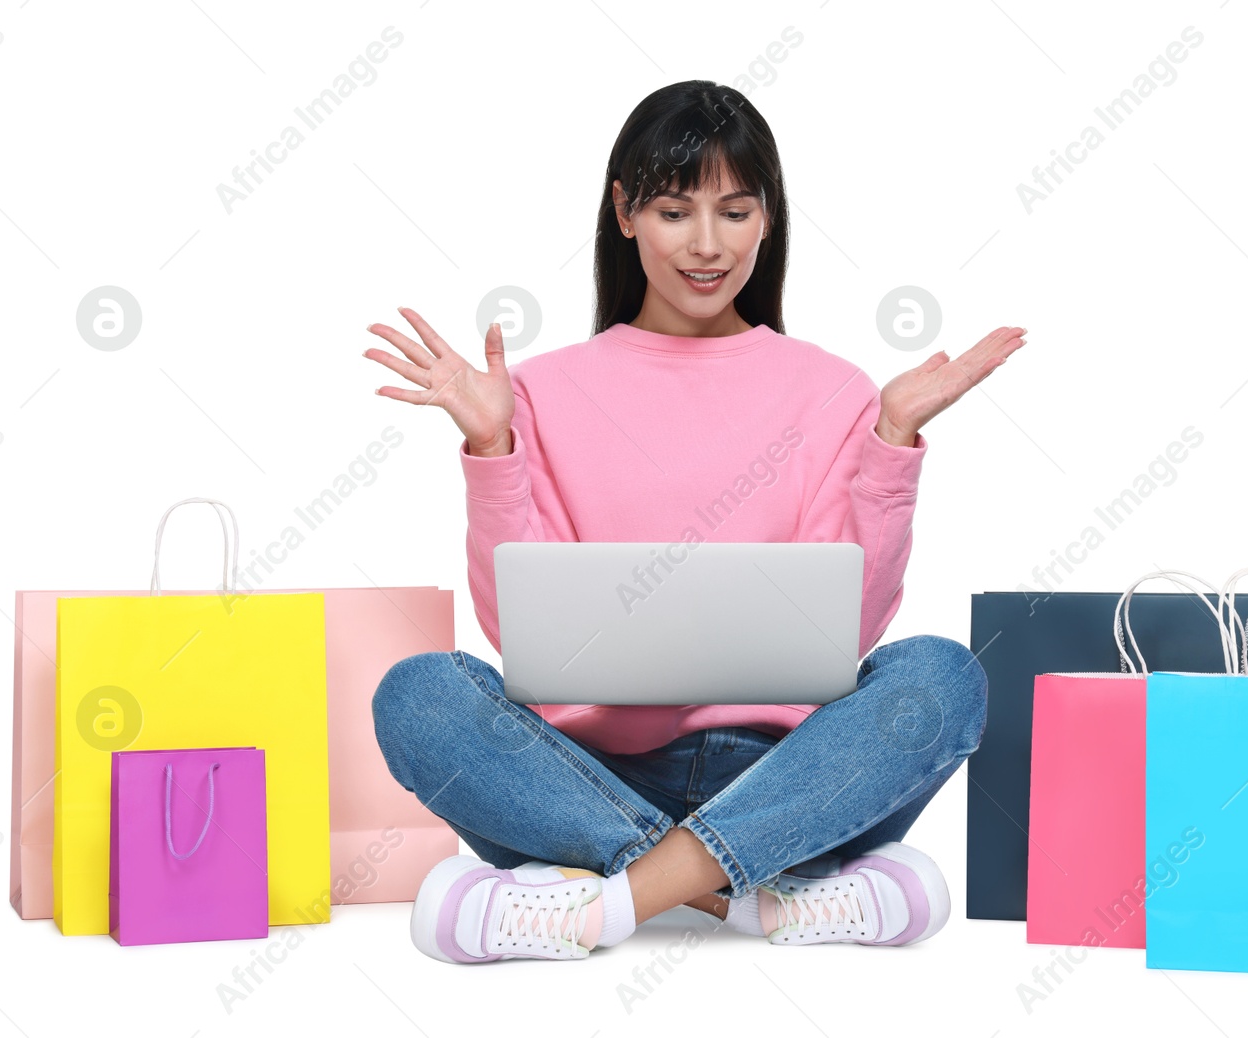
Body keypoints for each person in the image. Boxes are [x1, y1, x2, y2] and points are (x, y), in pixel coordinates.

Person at [364, 80, 1027, 965]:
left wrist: (892, 441)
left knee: (941, 675)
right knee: (420, 693)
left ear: (768, 220)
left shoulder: (832, 389)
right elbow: (519, 631)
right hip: (585, 780)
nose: (708, 245)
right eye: (675, 211)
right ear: (625, 212)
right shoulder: (542, 392)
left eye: (736, 211)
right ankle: (761, 894)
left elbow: (850, 629)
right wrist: (493, 449)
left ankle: (605, 903)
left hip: (792, 776)